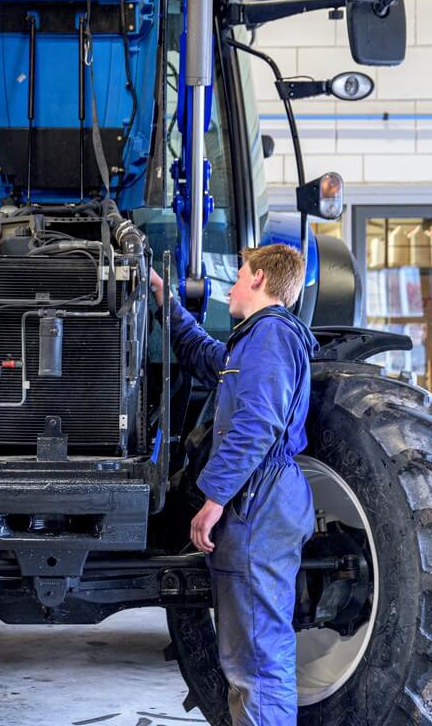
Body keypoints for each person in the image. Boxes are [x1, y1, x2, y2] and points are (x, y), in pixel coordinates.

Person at [149, 244, 318, 726]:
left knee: (257, 660)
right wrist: (166, 302)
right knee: (251, 653)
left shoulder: (269, 336)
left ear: (261, 279)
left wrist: (214, 500)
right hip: (264, 500)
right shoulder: (258, 340)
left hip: (257, 503)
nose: (231, 286)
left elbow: (257, 424)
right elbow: (209, 358)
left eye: (240, 275)